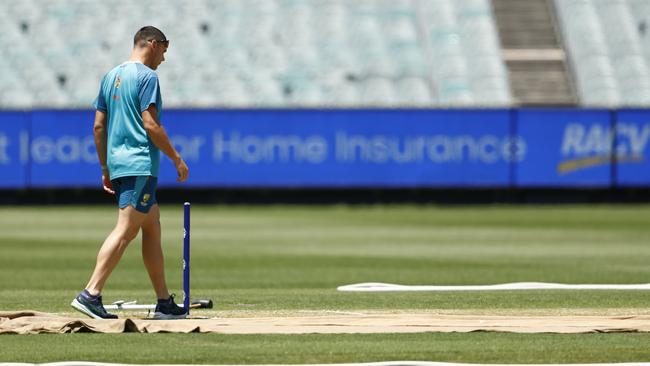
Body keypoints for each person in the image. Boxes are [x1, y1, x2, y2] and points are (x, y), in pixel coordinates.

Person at [71, 26, 189, 319]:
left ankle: (163, 302)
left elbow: (98, 126)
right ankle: (91, 293)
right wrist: (176, 158)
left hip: (120, 163)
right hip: (139, 163)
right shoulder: (147, 77)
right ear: (152, 43)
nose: (164, 57)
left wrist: (105, 167)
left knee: (152, 225)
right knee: (126, 230)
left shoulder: (111, 76)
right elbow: (151, 125)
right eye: (164, 48)